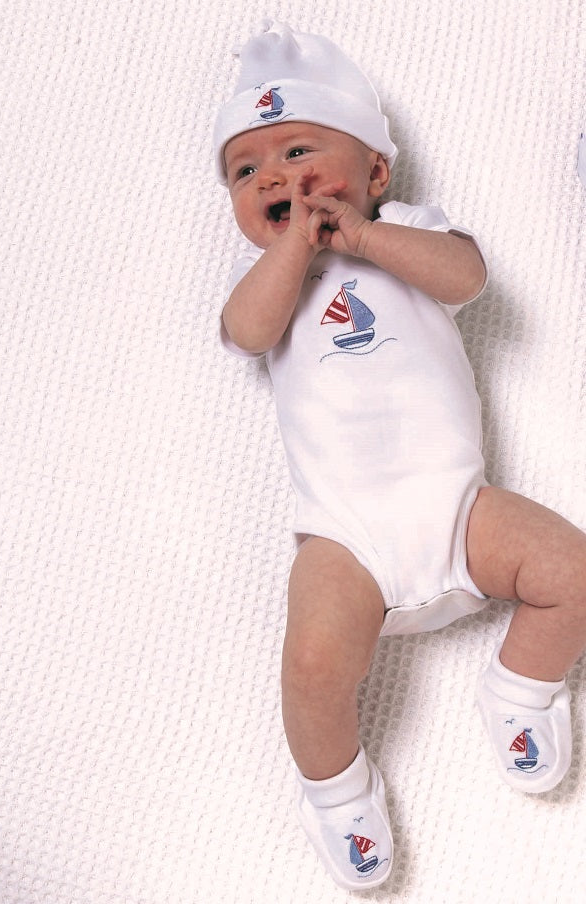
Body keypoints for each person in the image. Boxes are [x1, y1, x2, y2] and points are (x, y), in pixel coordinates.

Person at [213, 21, 586, 891]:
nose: (272, 174)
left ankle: (521, 687)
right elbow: (245, 332)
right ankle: (336, 790)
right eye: (244, 170)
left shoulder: (411, 231)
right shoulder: (271, 279)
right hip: (347, 539)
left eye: (299, 148)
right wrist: (297, 248)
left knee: (573, 568)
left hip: (459, 507)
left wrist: (363, 237)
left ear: (375, 173)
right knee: (310, 665)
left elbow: (468, 279)